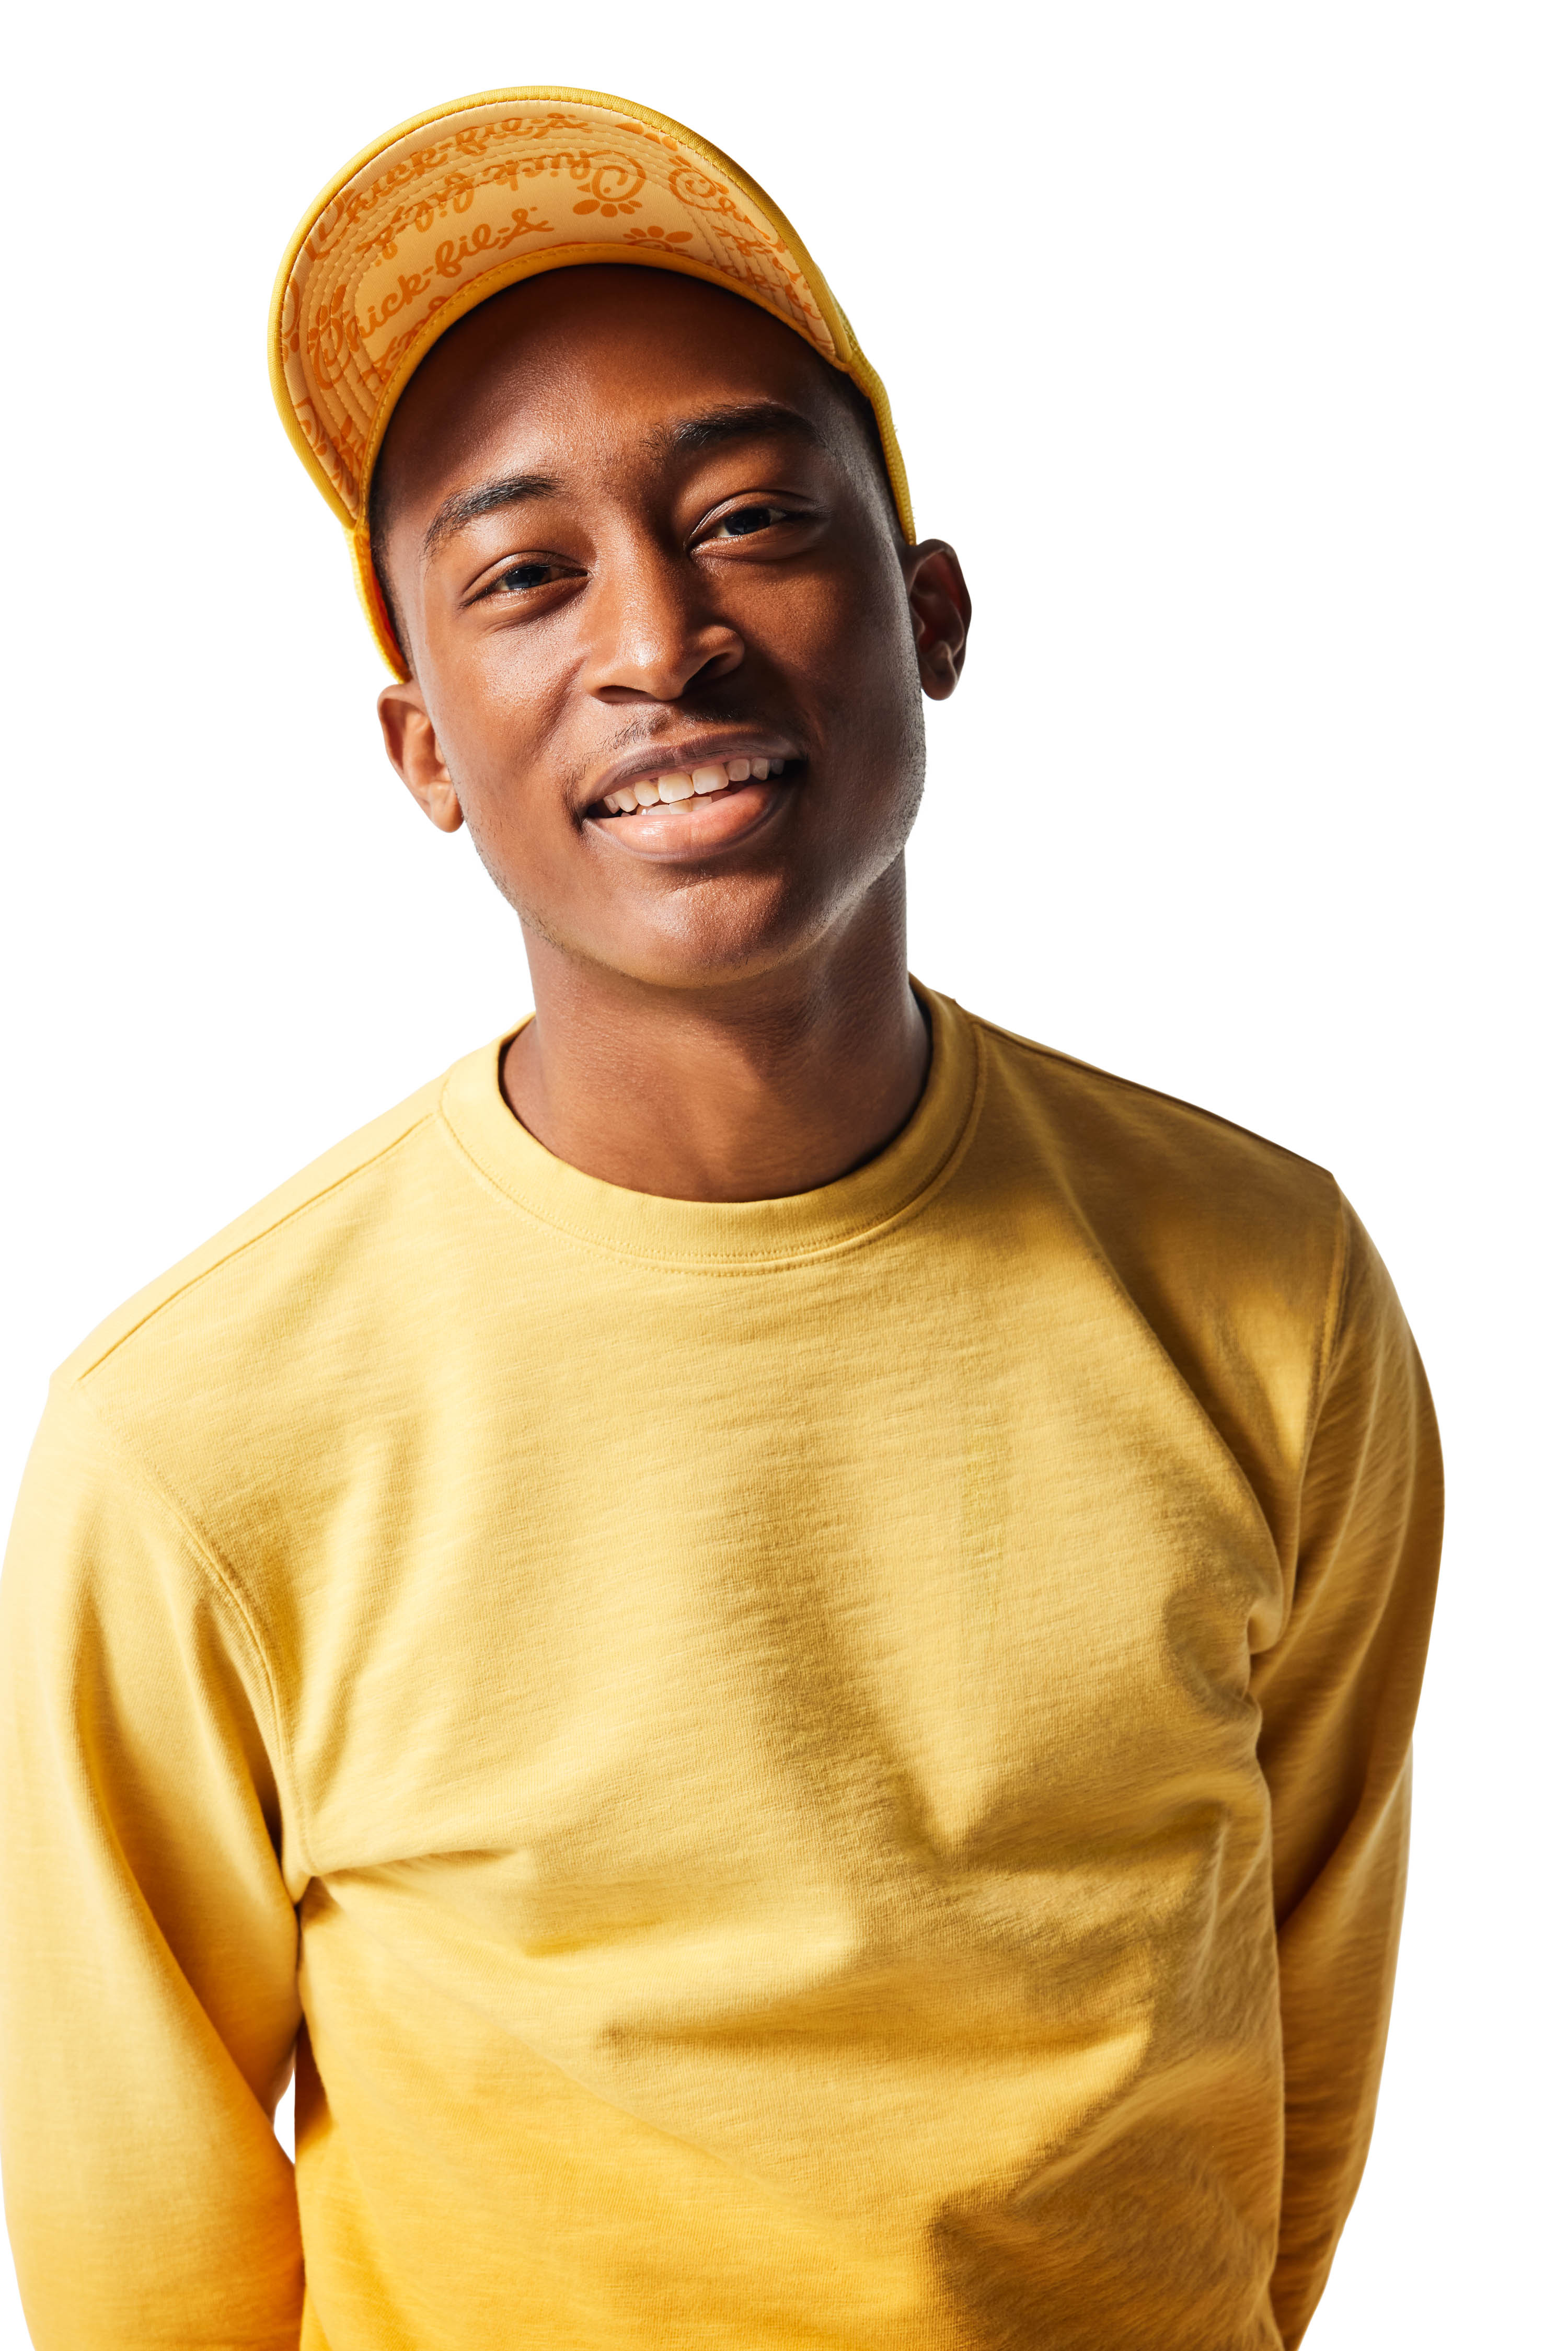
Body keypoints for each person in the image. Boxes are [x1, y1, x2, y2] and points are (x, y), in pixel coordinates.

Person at [0, 88, 1441, 2351]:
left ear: (932, 613)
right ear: (423, 750)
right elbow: (141, 2266)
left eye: (754, 516)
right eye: (525, 572)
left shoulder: (1270, 1291)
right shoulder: (198, 1439)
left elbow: (1305, 2036)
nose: (660, 639)